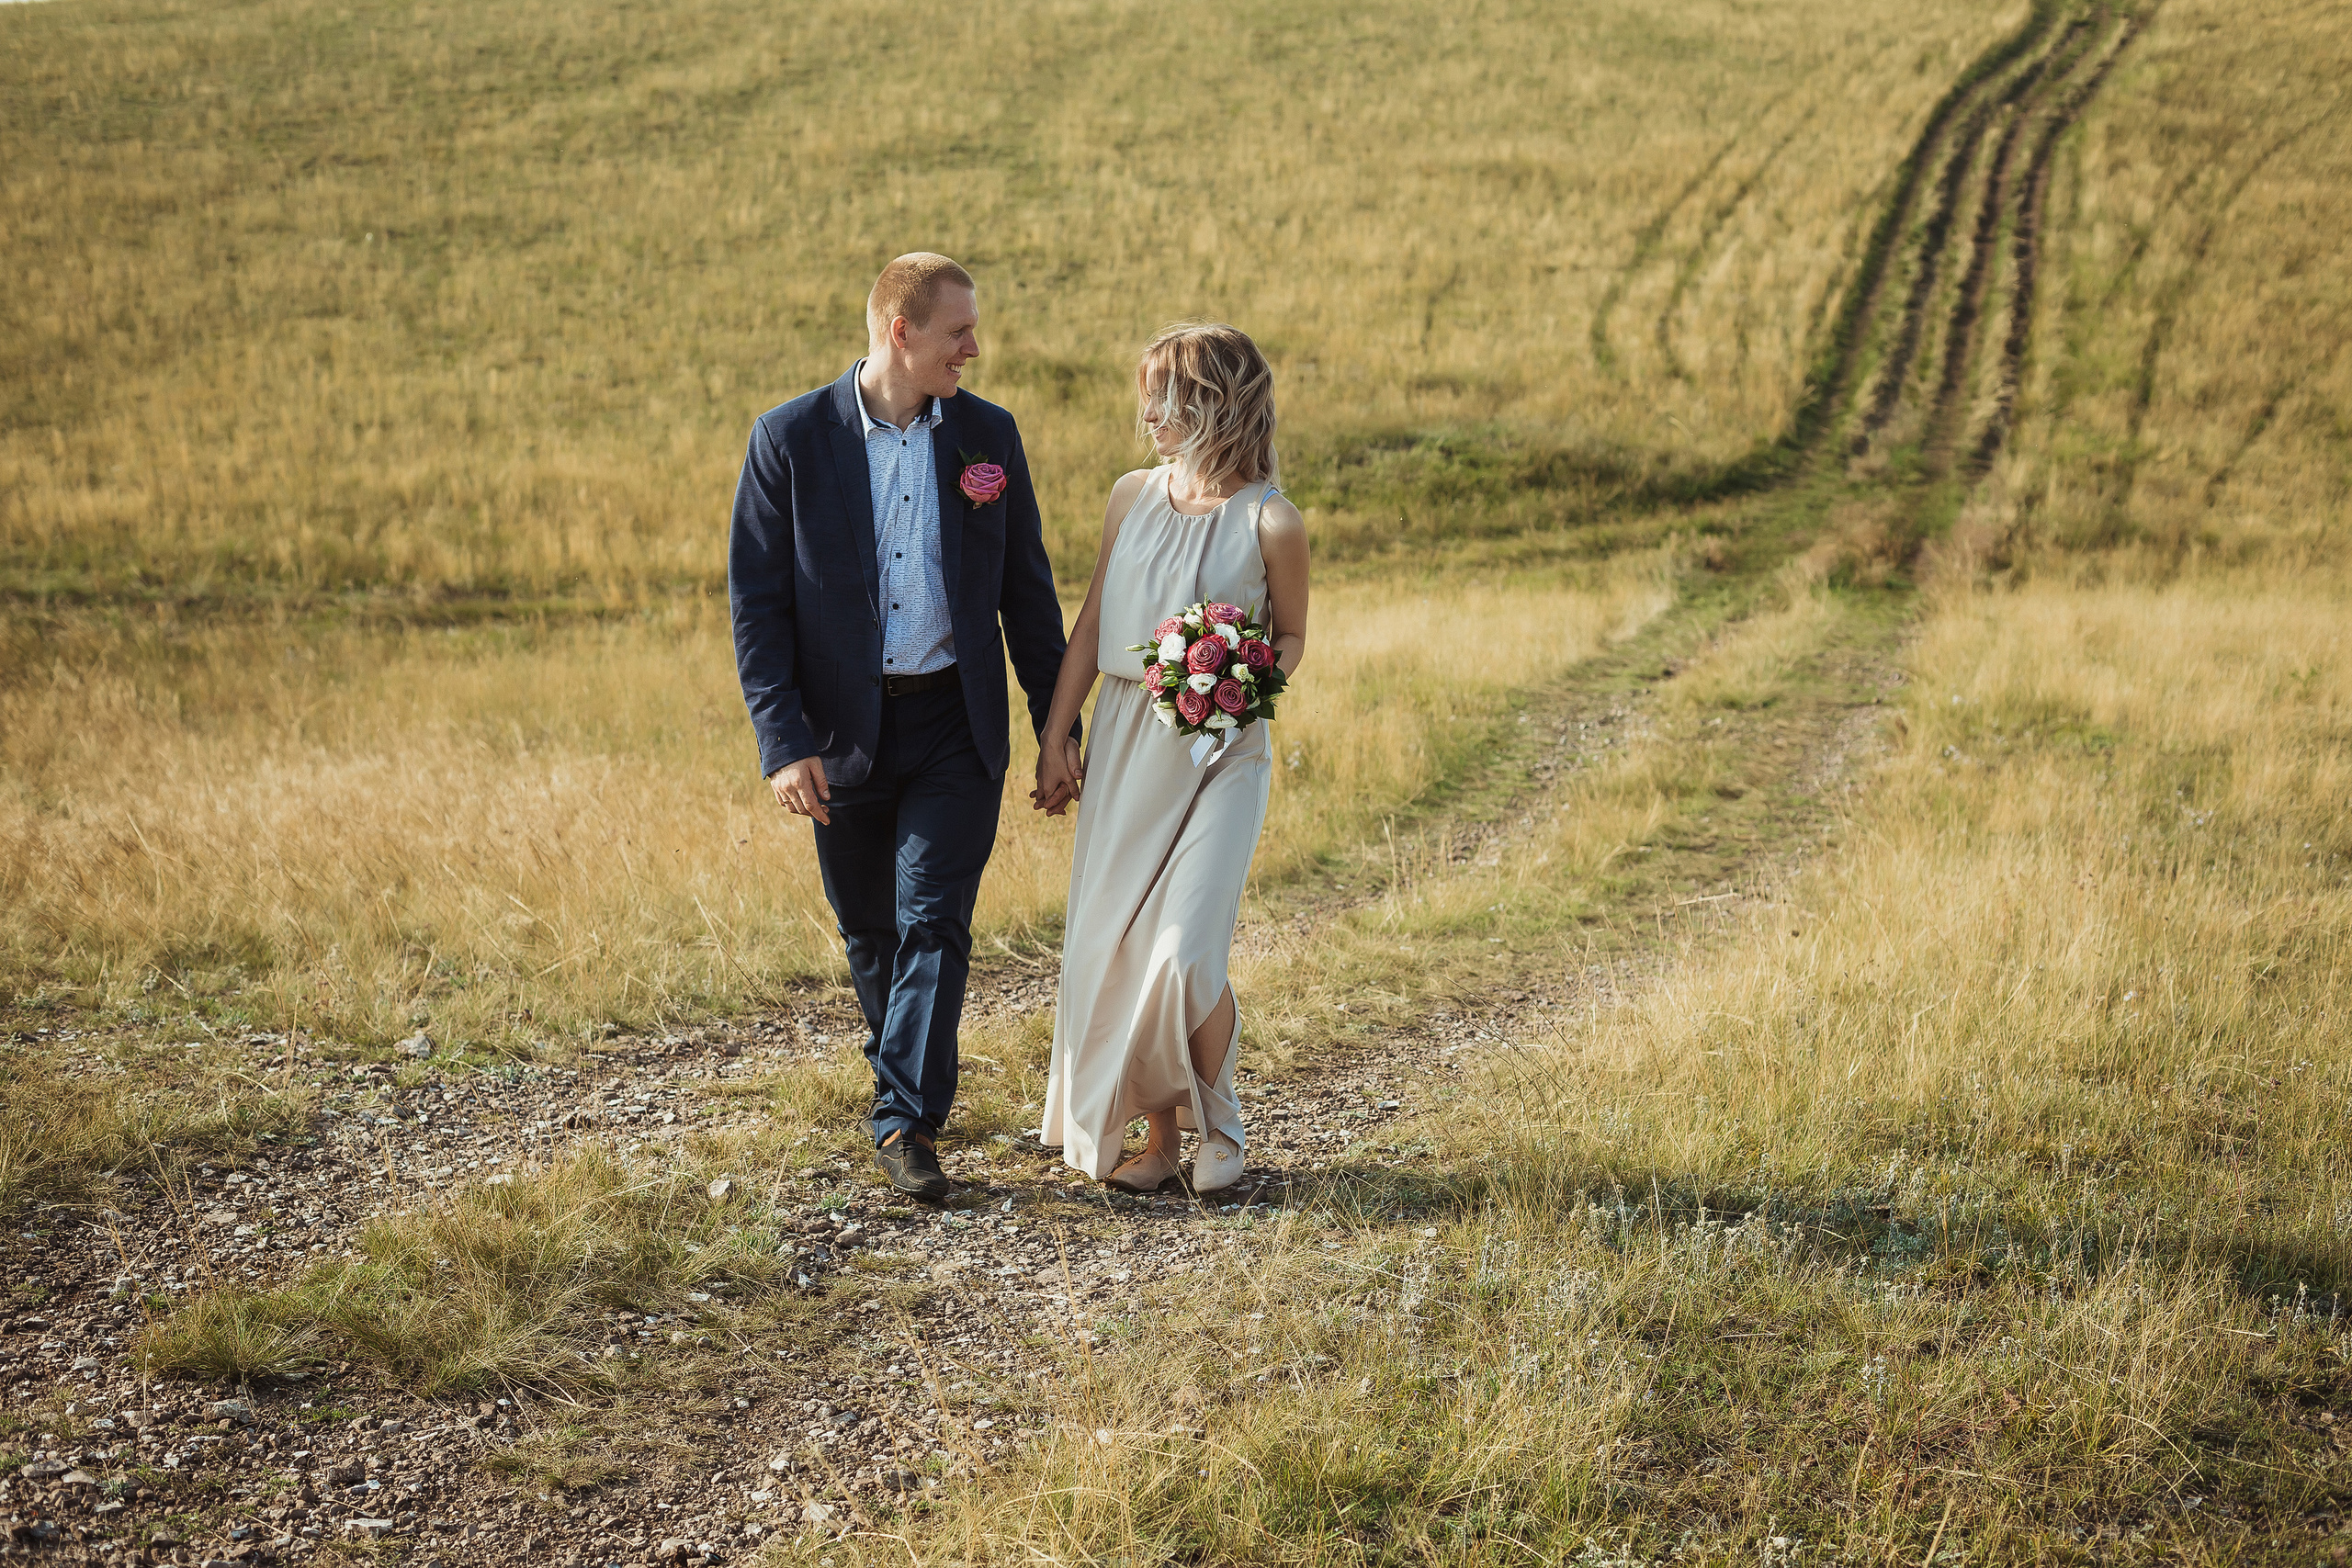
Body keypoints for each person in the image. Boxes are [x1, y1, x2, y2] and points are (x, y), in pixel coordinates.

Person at [728, 253, 1073, 1201]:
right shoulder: (788, 440)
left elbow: (1026, 598)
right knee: (870, 932)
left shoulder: (988, 437)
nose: (974, 346)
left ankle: (905, 1123)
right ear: (900, 332)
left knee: (934, 922)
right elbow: (756, 605)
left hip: (956, 727)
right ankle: (903, 1095)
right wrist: (782, 740)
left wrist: (1055, 728)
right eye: (958, 331)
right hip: (841, 738)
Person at [1031, 322, 1310, 1192]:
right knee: (1121, 951)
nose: (1147, 414)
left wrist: (1243, 672)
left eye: (1167, 396)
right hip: (1123, 744)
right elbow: (1090, 625)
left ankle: (1219, 1121)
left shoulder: (1271, 519)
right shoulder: (1129, 496)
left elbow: (1294, 636)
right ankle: (1159, 1143)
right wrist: (1054, 734)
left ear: (1215, 403)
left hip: (1222, 752)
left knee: (1186, 954)